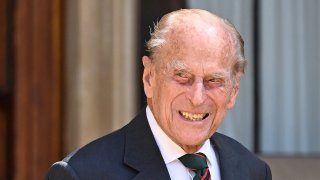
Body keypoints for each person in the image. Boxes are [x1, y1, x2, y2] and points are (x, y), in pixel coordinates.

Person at [46, 9, 272, 180]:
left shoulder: (253, 171)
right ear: (149, 78)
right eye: (182, 76)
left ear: (234, 90)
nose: (197, 97)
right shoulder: (82, 175)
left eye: (214, 80)